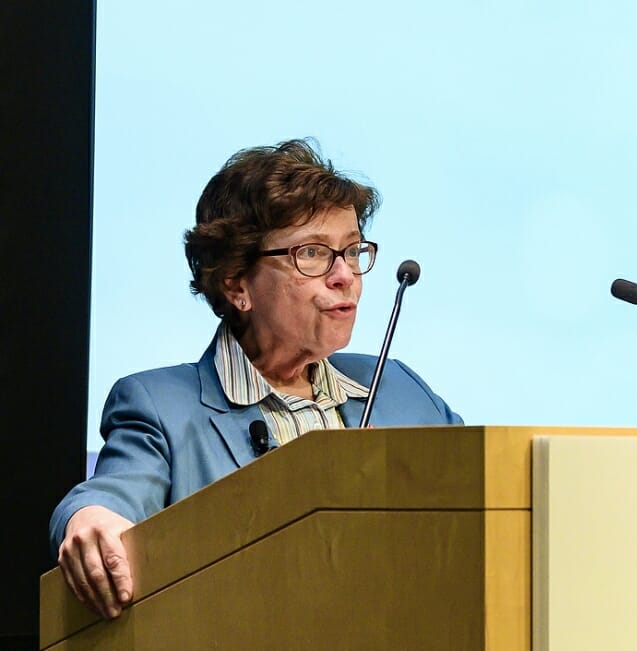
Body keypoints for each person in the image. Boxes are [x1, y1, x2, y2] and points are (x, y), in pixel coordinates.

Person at [50, 139, 462, 620]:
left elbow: (488, 497)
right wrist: (91, 519)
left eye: (352, 251)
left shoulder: (400, 389)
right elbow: (110, 498)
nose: (344, 275)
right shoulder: (159, 406)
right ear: (236, 284)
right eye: (313, 253)